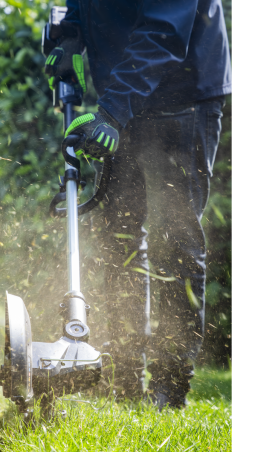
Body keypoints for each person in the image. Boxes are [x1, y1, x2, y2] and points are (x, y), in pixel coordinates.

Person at [44, 0, 232, 409]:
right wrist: (72, 30)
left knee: (176, 242)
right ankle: (124, 378)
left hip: (182, 95)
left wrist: (111, 111)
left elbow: (166, 29)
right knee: (120, 238)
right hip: (125, 97)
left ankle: (169, 388)